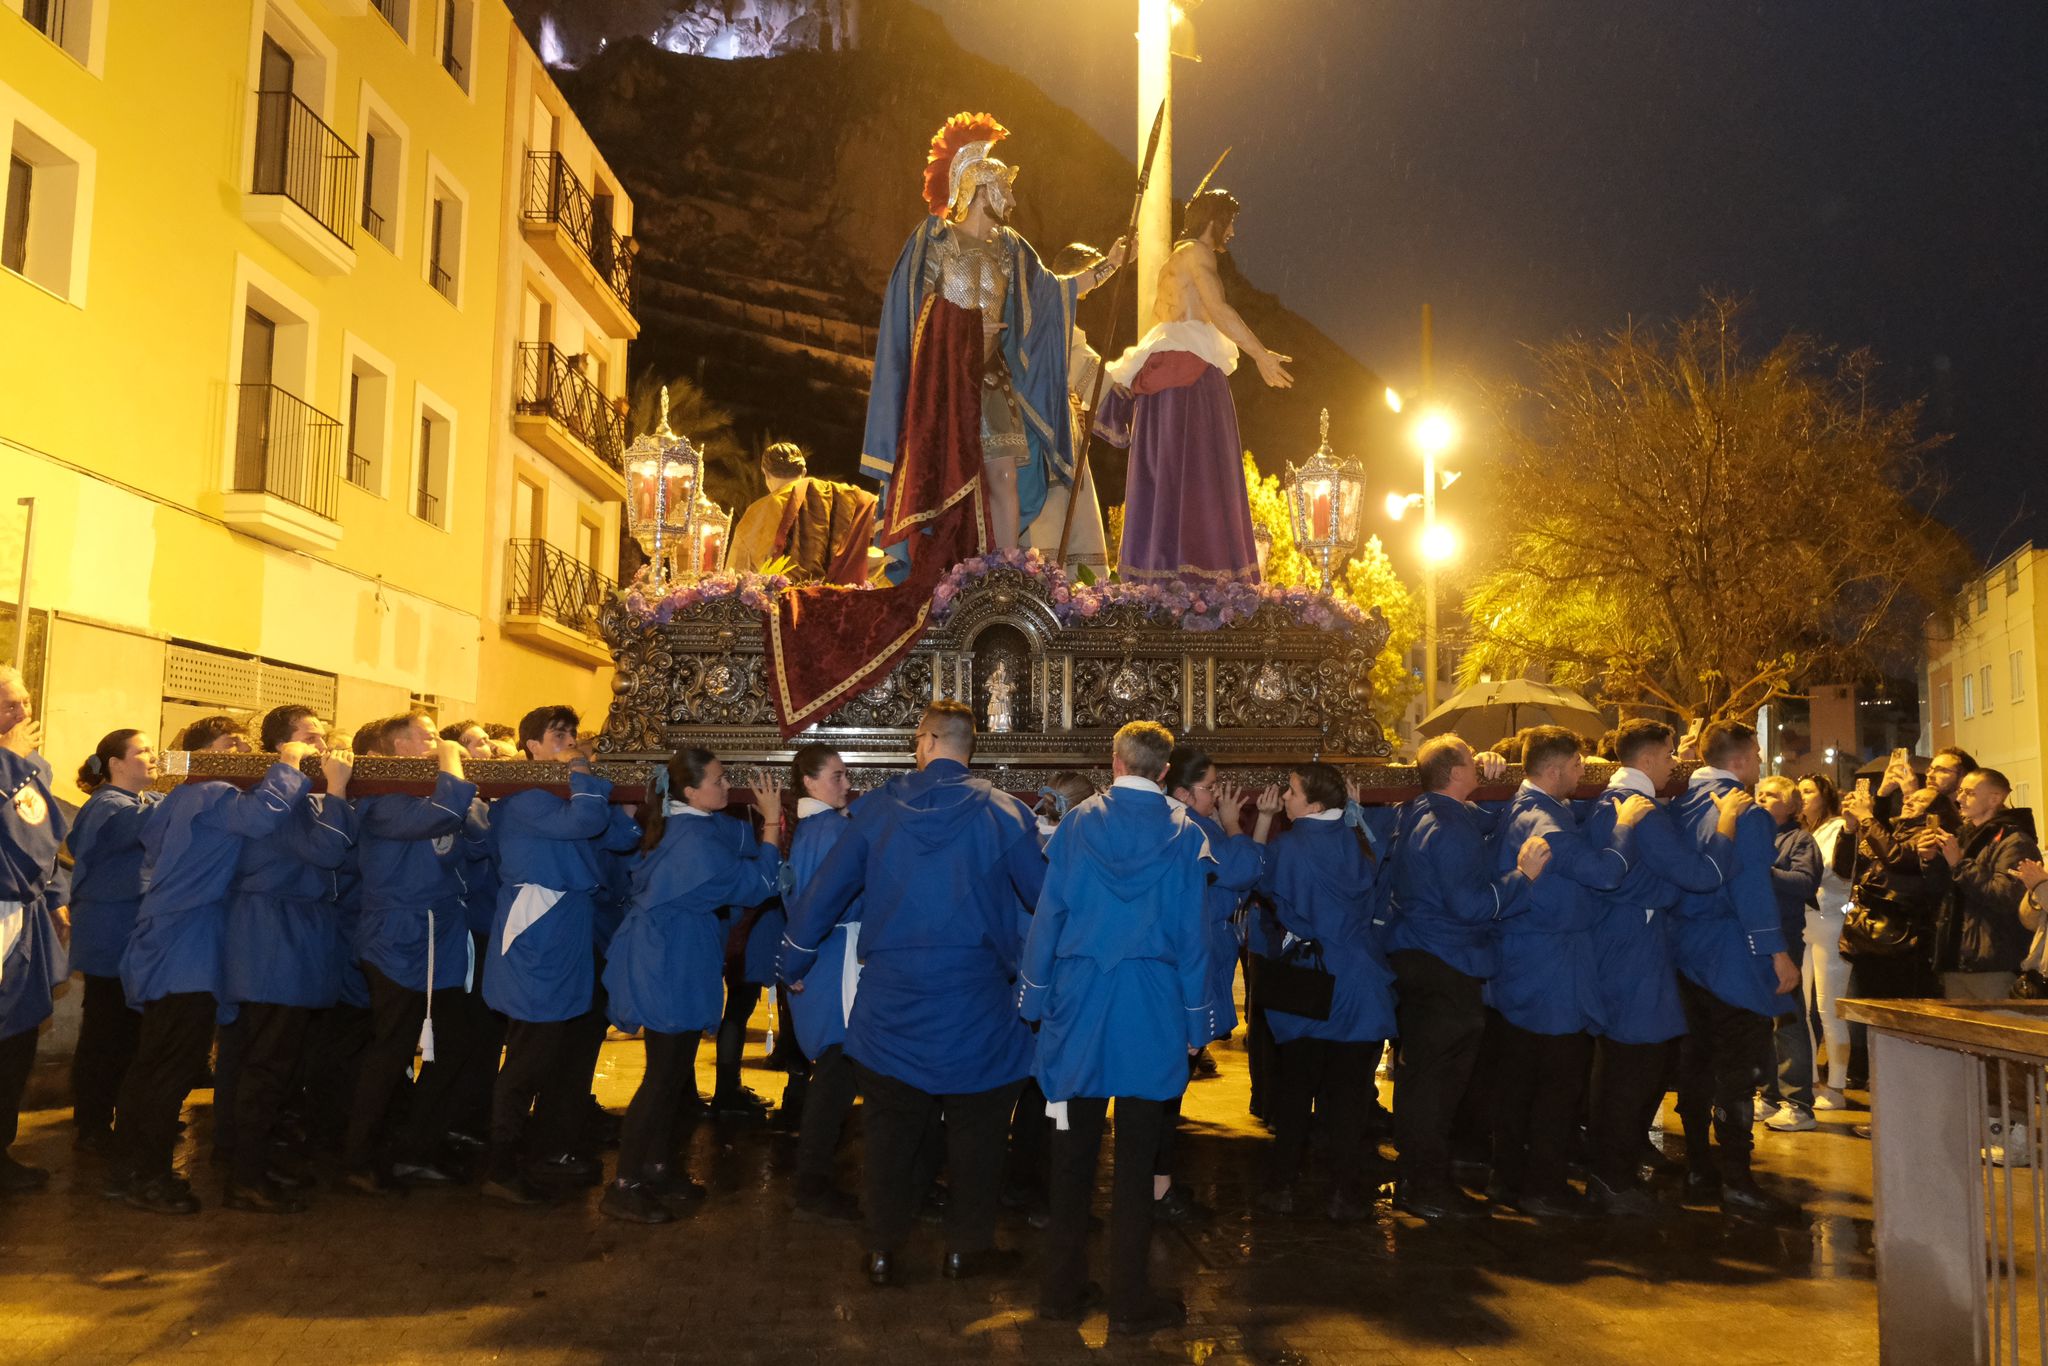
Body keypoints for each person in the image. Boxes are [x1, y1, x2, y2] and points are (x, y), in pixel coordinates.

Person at [766, 113, 1126, 733]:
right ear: (975, 182)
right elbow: (909, 323)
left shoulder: (1013, 250)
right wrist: (942, 361)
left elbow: (1052, 295)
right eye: (1001, 182)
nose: (1012, 193)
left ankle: (1009, 575)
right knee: (970, 486)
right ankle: (967, 569)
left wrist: (1113, 265)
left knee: (1007, 475)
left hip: (993, 383)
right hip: (946, 394)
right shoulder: (934, 242)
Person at [781, 700, 1046, 1287]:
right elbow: (1045, 900)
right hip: (974, 1004)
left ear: (923, 742)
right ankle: (966, 1248)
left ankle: (881, 1249)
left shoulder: (873, 811)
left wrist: (794, 960)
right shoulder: (1005, 813)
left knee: (889, 1131)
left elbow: (822, 896)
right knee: (978, 1130)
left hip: (890, 1003)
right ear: (968, 747)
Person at [1020, 721, 1213, 1334]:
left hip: (1081, 998)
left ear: (1115, 762)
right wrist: (1196, 1020)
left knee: (1072, 1152)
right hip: (1150, 1004)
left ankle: (1060, 1290)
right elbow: (1192, 934)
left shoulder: (1078, 824)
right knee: (1137, 1161)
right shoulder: (1185, 832)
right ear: (1165, 772)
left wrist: (1034, 998)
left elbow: (1049, 915)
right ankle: (1131, 1300)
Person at [115, 716, 314, 1215]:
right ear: (204, 756)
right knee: (174, 1068)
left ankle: (130, 1168)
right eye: (231, 743)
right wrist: (289, 763)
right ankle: (151, 1177)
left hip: (169, 940)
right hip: (188, 947)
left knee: (152, 1063)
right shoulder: (211, 793)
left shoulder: (177, 799)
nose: (244, 748)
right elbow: (262, 816)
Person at [603, 749, 784, 1224]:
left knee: (676, 1072)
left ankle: (659, 1168)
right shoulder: (694, 844)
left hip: (677, 953)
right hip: (668, 961)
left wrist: (761, 828)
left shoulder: (693, 824)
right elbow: (760, 883)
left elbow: (735, 840)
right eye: (720, 781)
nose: (728, 787)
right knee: (662, 1076)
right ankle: (624, 1185)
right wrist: (771, 822)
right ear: (689, 792)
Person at [1377, 734, 1547, 1220]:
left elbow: (1489, 819)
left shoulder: (1419, 812)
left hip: (1419, 956)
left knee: (1421, 1079)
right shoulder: (1448, 827)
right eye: (1472, 760)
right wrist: (1523, 876)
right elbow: (1471, 905)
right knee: (1437, 1085)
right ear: (1455, 774)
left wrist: (1498, 774)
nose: (1478, 765)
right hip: (1446, 960)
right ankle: (1427, 1187)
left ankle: (1420, 1179)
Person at [1579, 720, 1744, 1215]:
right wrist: (1728, 822)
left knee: (1618, 1066)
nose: (1675, 763)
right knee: (1637, 1067)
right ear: (1649, 759)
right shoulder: (1643, 812)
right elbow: (1702, 876)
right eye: (1671, 754)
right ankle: (1613, 1181)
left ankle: (1610, 1174)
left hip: (1616, 946)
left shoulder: (1605, 802)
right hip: (1635, 953)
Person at [1487, 725, 1649, 1217]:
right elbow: (1605, 872)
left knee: (1518, 1082)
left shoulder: (1522, 806)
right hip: (1553, 972)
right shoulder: (1547, 822)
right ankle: (1544, 1188)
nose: (1585, 774)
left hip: (1521, 964)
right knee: (1557, 1084)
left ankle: (1509, 1179)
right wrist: (1626, 823)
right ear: (1554, 770)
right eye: (1579, 765)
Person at [1100, 188, 1292, 584]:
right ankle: (1200, 572)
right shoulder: (1198, 255)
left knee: (1166, 472)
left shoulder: (1172, 262)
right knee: (1202, 471)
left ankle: (1160, 566)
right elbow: (1219, 310)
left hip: (1163, 379)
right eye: (1230, 222)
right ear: (1214, 222)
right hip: (1190, 379)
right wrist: (1260, 354)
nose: (1233, 232)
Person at [216, 705, 355, 1214]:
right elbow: (326, 854)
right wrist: (338, 792)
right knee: (266, 1062)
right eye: (310, 739)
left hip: (294, 932)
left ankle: (255, 1161)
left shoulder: (295, 796)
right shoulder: (277, 798)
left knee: (279, 1060)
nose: (323, 748)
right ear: (284, 748)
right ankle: (245, 1176)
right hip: (273, 937)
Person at [481, 705, 614, 1205]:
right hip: (537, 924)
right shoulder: (525, 796)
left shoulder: (556, 793)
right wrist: (584, 771)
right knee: (529, 1053)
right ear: (531, 747)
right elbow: (585, 819)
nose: (571, 741)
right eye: (558, 735)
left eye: (574, 734)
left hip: (568, 923)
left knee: (555, 1048)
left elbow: (613, 834)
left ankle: (543, 1150)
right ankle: (501, 1162)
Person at [1668, 722, 1801, 1219]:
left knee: (1695, 1066)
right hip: (1733, 954)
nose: (1762, 761)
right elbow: (1751, 889)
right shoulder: (1745, 811)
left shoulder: (1678, 804)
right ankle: (1739, 1182)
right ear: (1743, 759)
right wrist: (1776, 952)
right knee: (1737, 1070)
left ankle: (1700, 1169)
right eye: (1759, 753)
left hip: (1684, 953)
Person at [1254, 762, 1396, 1221]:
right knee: (1349, 1097)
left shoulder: (1291, 847)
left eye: (1291, 790)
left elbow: (1258, 883)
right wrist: (1352, 808)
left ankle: (1281, 1186)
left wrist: (1256, 825)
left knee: (1296, 1090)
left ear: (1313, 803)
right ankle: (1343, 1192)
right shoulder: (1360, 840)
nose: (1284, 797)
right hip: (1361, 980)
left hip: (1311, 982)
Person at [343, 715, 477, 1194]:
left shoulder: (426, 793)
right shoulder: (379, 799)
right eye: (425, 735)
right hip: (395, 935)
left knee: (457, 1044)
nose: (436, 741)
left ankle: (416, 1146)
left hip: (440, 931)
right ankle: (359, 1157)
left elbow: (467, 834)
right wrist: (452, 757)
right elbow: (443, 816)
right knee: (393, 1048)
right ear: (398, 746)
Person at [1158, 746, 1272, 1211]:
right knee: (1167, 1085)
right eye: (1211, 788)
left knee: (1170, 1085)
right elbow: (1243, 869)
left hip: (1197, 960)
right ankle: (1158, 1185)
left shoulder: (1186, 824)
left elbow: (1245, 877)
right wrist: (1232, 821)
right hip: (1193, 965)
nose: (1220, 795)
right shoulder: (1192, 829)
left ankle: (1158, 1180)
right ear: (1183, 792)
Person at [65, 728, 160, 1157]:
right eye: (142, 751)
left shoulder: (142, 803)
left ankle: (120, 1116)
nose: (154, 756)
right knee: (108, 1033)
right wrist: (199, 786)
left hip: (130, 935)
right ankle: (93, 1123)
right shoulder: (107, 806)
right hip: (110, 935)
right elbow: (133, 829)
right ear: (117, 765)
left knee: (127, 1033)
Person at [780, 744, 863, 1222]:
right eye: (836, 776)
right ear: (809, 783)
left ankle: (815, 1179)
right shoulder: (831, 829)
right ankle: (812, 1184)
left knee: (835, 1071)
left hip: (825, 958)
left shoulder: (811, 829)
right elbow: (837, 902)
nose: (845, 783)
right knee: (836, 1070)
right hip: (837, 961)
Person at [0, 667, 67, 1193]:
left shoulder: (17, 766)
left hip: (19, 920)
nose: (23, 715)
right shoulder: (13, 766)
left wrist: (58, 898)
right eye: (8, 705)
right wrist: (19, 766)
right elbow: (24, 841)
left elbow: (49, 840)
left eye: (24, 703)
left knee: (15, 1042)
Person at [1926, 767, 2041, 1001]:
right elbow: (1944, 894)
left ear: (1995, 798)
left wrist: (1959, 863)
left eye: (1969, 792)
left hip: (1993, 964)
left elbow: (2006, 896)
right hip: (1957, 960)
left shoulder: (2015, 841)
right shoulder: (1964, 836)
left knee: (1998, 1032)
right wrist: (1930, 861)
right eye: (1960, 792)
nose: (1959, 798)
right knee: (1959, 1035)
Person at [1755, 776, 1823, 1133]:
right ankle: (1768, 1094)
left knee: (1788, 1020)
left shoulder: (1800, 840)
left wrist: (1762, 872)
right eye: (1760, 793)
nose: (1763, 799)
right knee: (1764, 1021)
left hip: (1784, 938)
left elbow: (1804, 883)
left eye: (1772, 795)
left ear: (1792, 806)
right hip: (1754, 938)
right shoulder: (1752, 833)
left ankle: (1798, 1102)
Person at [724, 441, 878, 583]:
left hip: (778, 605)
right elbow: (876, 510)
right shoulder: (837, 494)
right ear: (803, 471)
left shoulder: (758, 511)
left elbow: (736, 573)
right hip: (836, 601)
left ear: (765, 472)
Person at [1797, 775, 1854, 1110]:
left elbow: (1834, 869)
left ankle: (1837, 1084)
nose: (1802, 797)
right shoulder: (1806, 829)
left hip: (1830, 919)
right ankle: (1808, 1078)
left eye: (1809, 791)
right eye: (1799, 790)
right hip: (1803, 921)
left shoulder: (1836, 828)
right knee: (1799, 1006)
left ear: (1825, 795)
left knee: (1829, 1007)